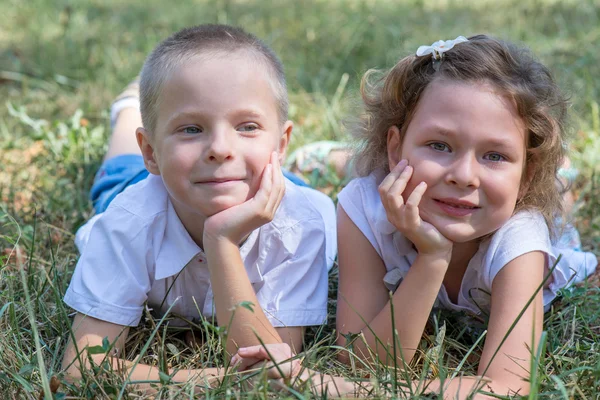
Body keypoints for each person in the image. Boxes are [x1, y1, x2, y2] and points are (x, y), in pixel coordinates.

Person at [61, 24, 336, 390]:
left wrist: (220, 242)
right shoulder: (128, 220)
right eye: (191, 129)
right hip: (158, 185)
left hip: (262, 184)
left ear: (280, 144)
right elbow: (80, 368)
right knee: (115, 173)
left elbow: (275, 358)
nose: (220, 147)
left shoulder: (301, 226)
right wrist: (211, 378)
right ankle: (129, 110)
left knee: (272, 176)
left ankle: (318, 160)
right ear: (152, 152)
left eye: (248, 126)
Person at [331, 34, 598, 397]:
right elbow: (361, 360)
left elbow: (508, 386)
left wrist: (348, 392)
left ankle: (560, 175)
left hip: (554, 252)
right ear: (395, 149)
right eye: (439, 146)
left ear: (526, 175)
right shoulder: (361, 206)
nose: (464, 175)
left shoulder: (521, 238)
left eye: (494, 155)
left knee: (558, 222)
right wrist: (433, 258)